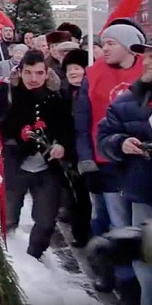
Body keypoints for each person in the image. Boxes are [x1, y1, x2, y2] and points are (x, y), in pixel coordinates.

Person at [76, 18, 146, 297]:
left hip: (141, 164)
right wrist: (86, 160)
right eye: (103, 43)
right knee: (117, 222)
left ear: (129, 46)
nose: (103, 48)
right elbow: (82, 122)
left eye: (110, 43)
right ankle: (124, 280)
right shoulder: (92, 74)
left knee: (140, 227)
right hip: (105, 162)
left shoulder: (147, 70)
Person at [0, 50, 74, 259]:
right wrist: (15, 133)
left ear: (47, 73)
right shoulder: (6, 92)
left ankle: (34, 256)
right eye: (28, 73)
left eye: (38, 73)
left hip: (47, 166)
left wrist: (62, 145)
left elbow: (68, 127)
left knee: (46, 220)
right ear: (20, 71)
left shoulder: (58, 95)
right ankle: (9, 259)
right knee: (7, 215)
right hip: (14, 163)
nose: (33, 79)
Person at [97, 40, 152, 305]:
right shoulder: (127, 100)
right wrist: (120, 143)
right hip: (143, 192)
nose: (148, 62)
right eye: (147, 57)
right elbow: (104, 137)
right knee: (147, 266)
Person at [61, 48, 92, 248]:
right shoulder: (63, 93)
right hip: (71, 152)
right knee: (78, 196)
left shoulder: (92, 91)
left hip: (92, 150)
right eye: (69, 69)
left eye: (77, 68)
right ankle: (81, 234)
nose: (73, 72)